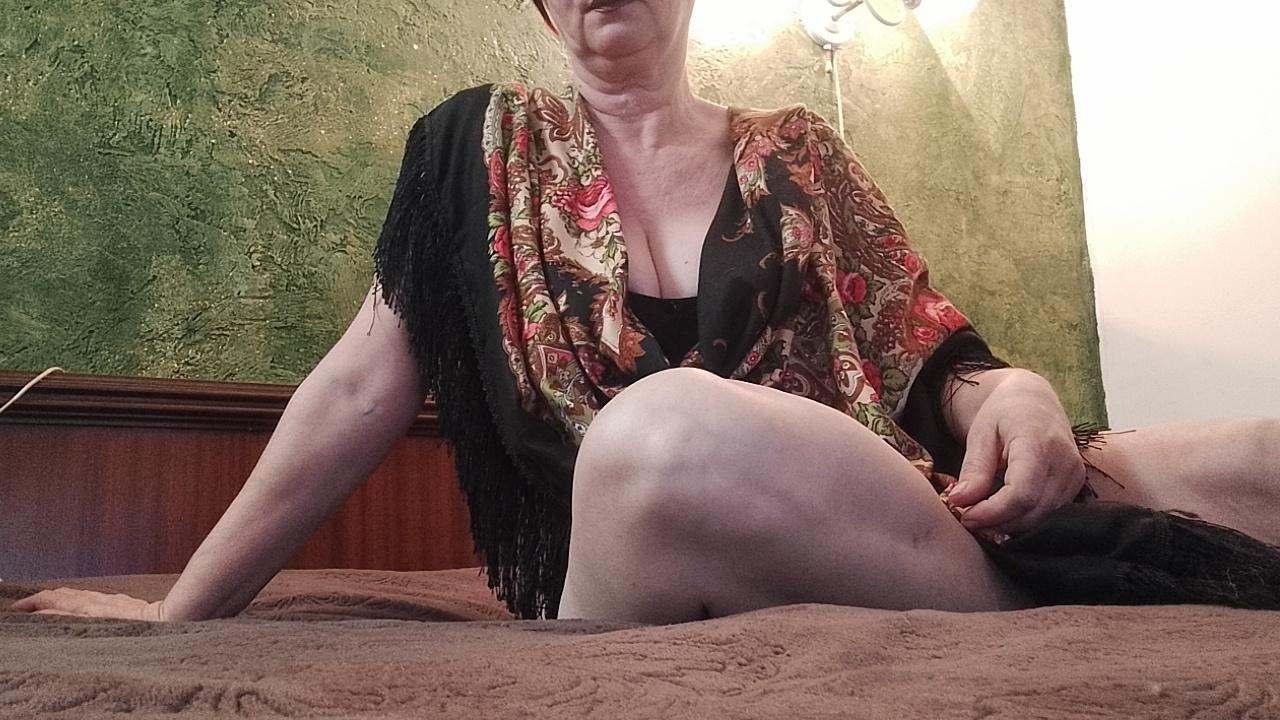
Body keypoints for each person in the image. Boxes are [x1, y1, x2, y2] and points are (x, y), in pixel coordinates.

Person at [12, 0, 1280, 624]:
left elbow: (931, 358)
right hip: (647, 526)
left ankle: (1033, 560)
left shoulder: (800, 150)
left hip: (889, 501)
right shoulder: (474, 147)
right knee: (663, 429)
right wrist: (180, 615)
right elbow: (354, 391)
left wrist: (1012, 391)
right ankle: (1038, 596)